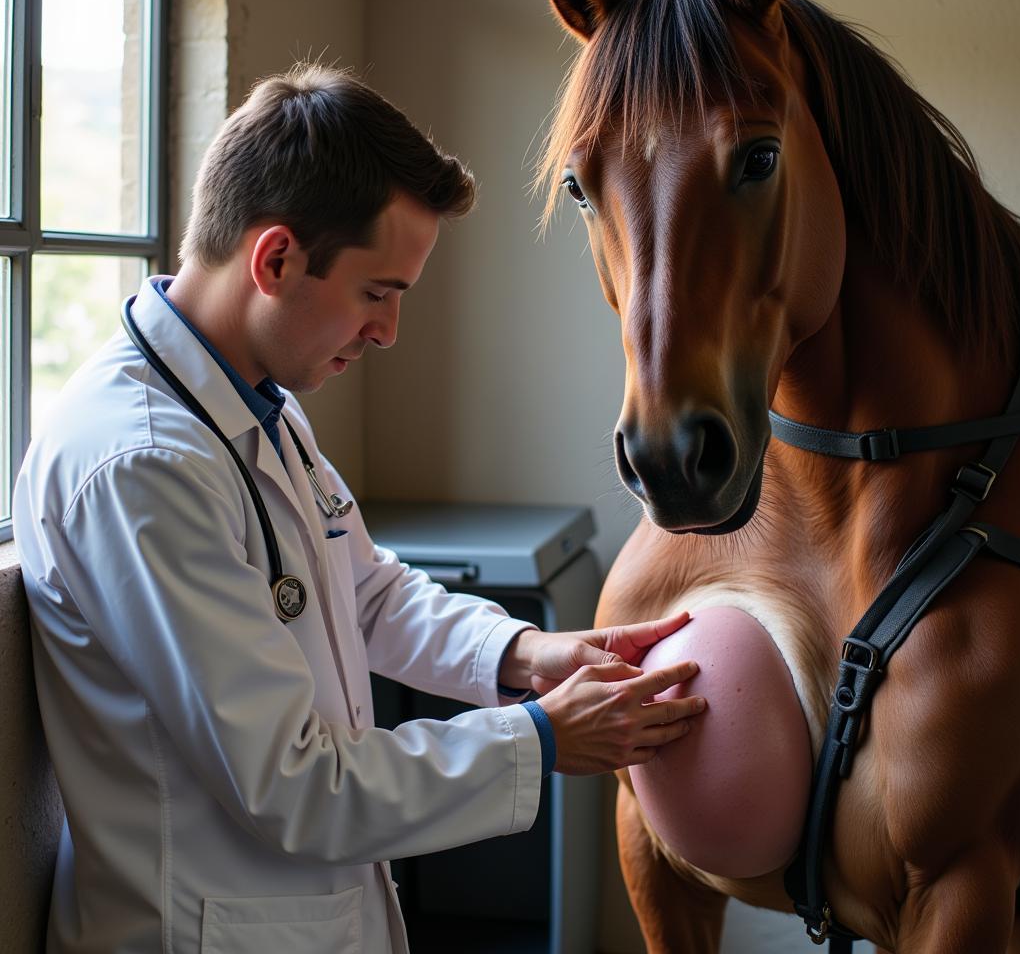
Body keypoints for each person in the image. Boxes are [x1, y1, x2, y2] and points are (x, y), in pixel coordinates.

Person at [13, 64, 705, 954]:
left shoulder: (255, 407)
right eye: (378, 293)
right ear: (274, 259)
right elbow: (293, 785)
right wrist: (537, 739)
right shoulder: (140, 465)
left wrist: (526, 654)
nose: (387, 332)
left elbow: (364, 591)